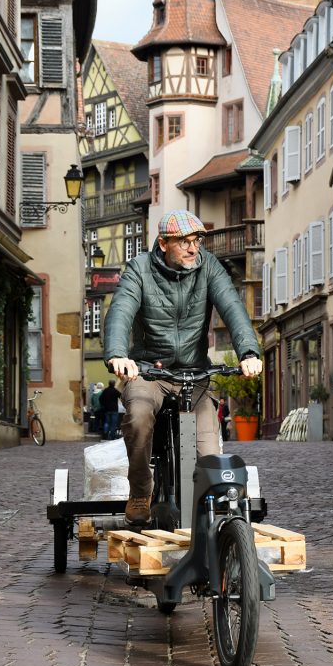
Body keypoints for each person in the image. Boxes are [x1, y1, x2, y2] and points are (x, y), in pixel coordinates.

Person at [104, 209, 262, 526]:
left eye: (197, 240)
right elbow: (121, 309)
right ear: (163, 243)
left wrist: (248, 351)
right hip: (149, 372)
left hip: (195, 373)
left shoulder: (209, 267)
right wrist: (118, 354)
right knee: (138, 417)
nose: (193, 248)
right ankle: (140, 490)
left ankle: (212, 521)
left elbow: (232, 307)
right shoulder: (139, 269)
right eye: (184, 242)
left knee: (208, 451)